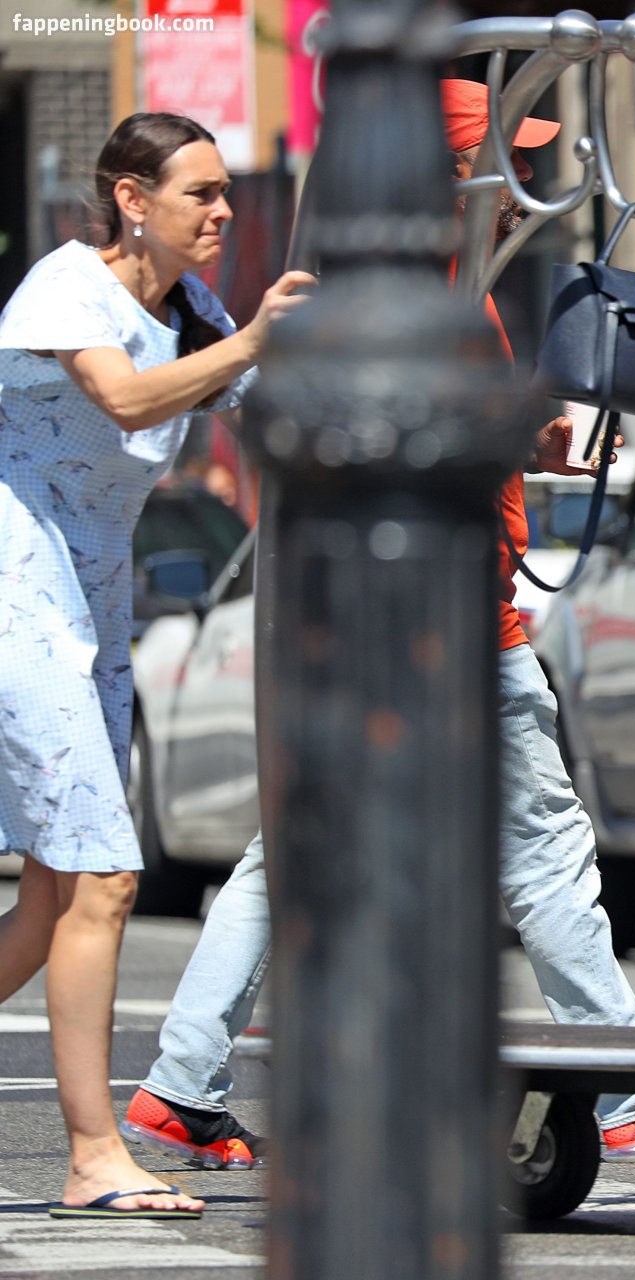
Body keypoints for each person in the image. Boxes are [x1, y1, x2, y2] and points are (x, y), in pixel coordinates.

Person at [120, 81, 635, 1173]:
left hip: (367, 625)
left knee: (289, 853)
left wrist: (525, 446)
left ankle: (181, 1083)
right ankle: (631, 1084)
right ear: (453, 177)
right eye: (509, 162)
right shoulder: (428, 296)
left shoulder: (409, 288)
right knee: (544, 848)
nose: (528, 185)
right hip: (451, 623)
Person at [0, 112, 313, 1219]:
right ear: (132, 201)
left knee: (53, 891)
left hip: (90, 608)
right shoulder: (66, 289)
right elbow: (126, 397)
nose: (223, 210)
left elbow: (283, 413)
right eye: (200, 193)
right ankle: (94, 1154)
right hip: (16, 597)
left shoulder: (192, 312)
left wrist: (516, 445)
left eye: (225, 191)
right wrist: (254, 341)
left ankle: (95, 1152)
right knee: (104, 877)